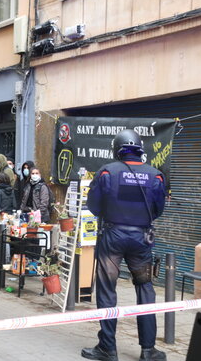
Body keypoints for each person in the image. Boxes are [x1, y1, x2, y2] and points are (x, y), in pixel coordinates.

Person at [81, 129, 167, 361]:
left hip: (112, 239)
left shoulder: (107, 171)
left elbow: (94, 206)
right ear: (139, 149)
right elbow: (158, 209)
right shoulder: (156, 175)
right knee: (145, 288)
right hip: (142, 241)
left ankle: (108, 348)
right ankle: (148, 350)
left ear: (117, 149)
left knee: (107, 290)